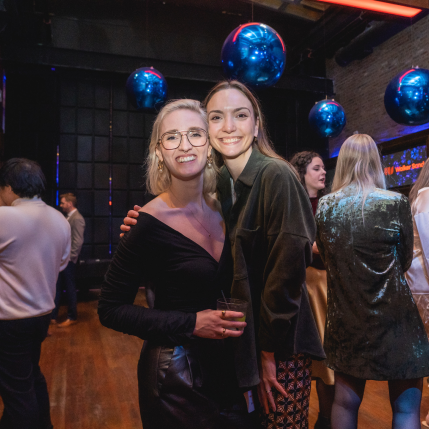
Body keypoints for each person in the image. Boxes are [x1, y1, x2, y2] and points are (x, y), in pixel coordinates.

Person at [122, 80, 325, 428]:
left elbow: (287, 276)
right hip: (243, 348)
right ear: (206, 129)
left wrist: (266, 353)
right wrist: (144, 225)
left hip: (279, 347)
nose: (229, 127)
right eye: (216, 117)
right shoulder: (223, 186)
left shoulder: (275, 175)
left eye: (241, 115)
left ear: (256, 124)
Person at [99, 99, 258, 429]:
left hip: (229, 371)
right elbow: (110, 308)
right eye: (172, 137)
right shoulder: (146, 224)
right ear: (159, 151)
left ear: (210, 143)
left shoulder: (229, 209)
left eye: (195, 134)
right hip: (176, 377)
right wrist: (191, 323)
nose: (184, 145)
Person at [315, 134, 429, 429]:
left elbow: (327, 260)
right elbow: (404, 261)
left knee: (344, 403)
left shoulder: (325, 206)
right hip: (397, 320)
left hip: (347, 319)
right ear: (376, 162)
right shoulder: (396, 202)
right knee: (405, 410)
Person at [0, 158, 71, 429]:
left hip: (9, 320)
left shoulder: (5, 217)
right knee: (31, 376)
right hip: (41, 316)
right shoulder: (58, 219)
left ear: (8, 187)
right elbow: (62, 264)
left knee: (17, 396)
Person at [290, 151, 334, 429]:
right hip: (303, 284)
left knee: (329, 361)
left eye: (324, 168)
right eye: (317, 168)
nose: (324, 172)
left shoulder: (329, 204)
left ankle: (326, 419)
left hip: (327, 285)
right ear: (302, 173)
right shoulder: (293, 204)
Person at [51, 193, 85, 328]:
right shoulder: (69, 217)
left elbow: (78, 241)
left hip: (69, 261)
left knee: (70, 288)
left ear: (70, 204)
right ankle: (53, 316)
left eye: (63, 203)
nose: (61, 205)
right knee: (58, 287)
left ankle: (72, 317)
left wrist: (70, 258)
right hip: (63, 260)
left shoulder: (77, 219)